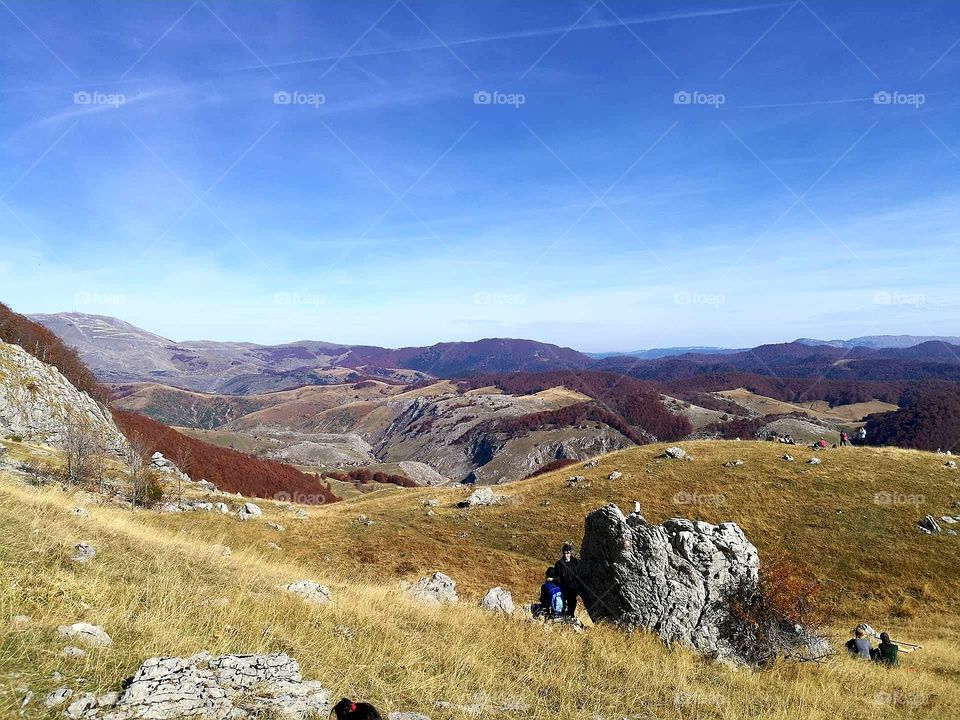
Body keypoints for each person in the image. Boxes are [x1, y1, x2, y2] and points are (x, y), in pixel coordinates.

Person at [554, 542, 580, 617]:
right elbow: (557, 576)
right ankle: (561, 616)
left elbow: (579, 574)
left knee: (572, 603)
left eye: (567, 553)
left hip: (573, 588)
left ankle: (571, 616)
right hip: (563, 587)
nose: (566, 555)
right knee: (561, 603)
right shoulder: (559, 563)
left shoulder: (576, 562)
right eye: (564, 553)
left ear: (570, 552)